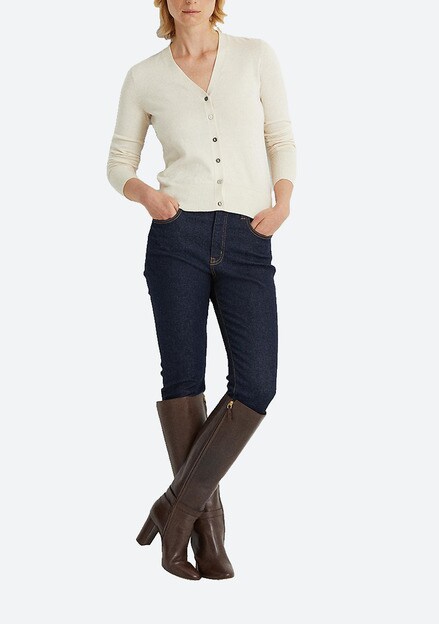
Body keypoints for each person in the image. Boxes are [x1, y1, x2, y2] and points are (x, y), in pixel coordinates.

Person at [106, 0, 296, 580]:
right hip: (176, 237)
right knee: (183, 379)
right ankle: (206, 537)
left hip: (248, 236)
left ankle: (174, 507)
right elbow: (119, 162)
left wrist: (283, 201)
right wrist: (146, 195)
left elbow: (280, 137)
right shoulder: (144, 75)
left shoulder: (255, 57)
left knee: (256, 384)